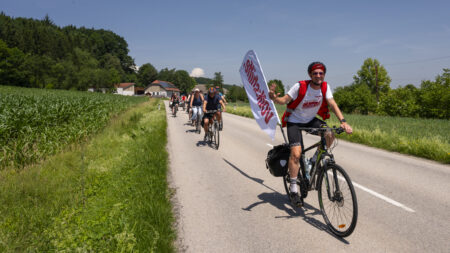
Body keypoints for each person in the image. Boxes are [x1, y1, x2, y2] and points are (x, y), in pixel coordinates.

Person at [268, 61, 353, 207]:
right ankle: (294, 189)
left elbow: (332, 104)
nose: (318, 76)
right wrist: (274, 98)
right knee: (296, 153)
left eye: (321, 73)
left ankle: (314, 160)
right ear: (310, 75)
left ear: (324, 74)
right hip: (294, 122)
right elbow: (284, 100)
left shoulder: (325, 87)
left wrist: (343, 121)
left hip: (310, 120)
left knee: (330, 134)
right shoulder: (300, 86)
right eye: (315, 73)